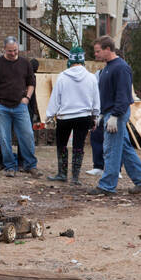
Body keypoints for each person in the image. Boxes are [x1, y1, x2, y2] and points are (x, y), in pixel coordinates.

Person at [91, 36, 141, 196]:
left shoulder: (121, 68)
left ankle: (107, 186)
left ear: (107, 49)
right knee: (125, 148)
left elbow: (123, 94)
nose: (96, 55)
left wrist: (115, 115)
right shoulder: (108, 67)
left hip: (116, 114)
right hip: (110, 112)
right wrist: (101, 113)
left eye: (98, 51)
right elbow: (106, 93)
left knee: (111, 149)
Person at [44, 46, 99, 185]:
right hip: (84, 116)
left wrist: (50, 115)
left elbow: (56, 97)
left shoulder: (62, 77)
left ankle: (62, 173)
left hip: (65, 117)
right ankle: (75, 176)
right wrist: (95, 116)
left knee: (62, 144)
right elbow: (95, 99)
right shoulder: (91, 77)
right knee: (78, 145)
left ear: (69, 60)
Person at [0, 36, 39, 177]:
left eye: (15, 50)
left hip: (20, 106)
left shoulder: (25, 63)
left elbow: (31, 83)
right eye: (10, 51)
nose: (13, 53)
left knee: (27, 135)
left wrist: (27, 98)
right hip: (2, 107)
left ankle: (30, 165)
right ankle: (9, 166)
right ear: (4, 49)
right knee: (4, 138)